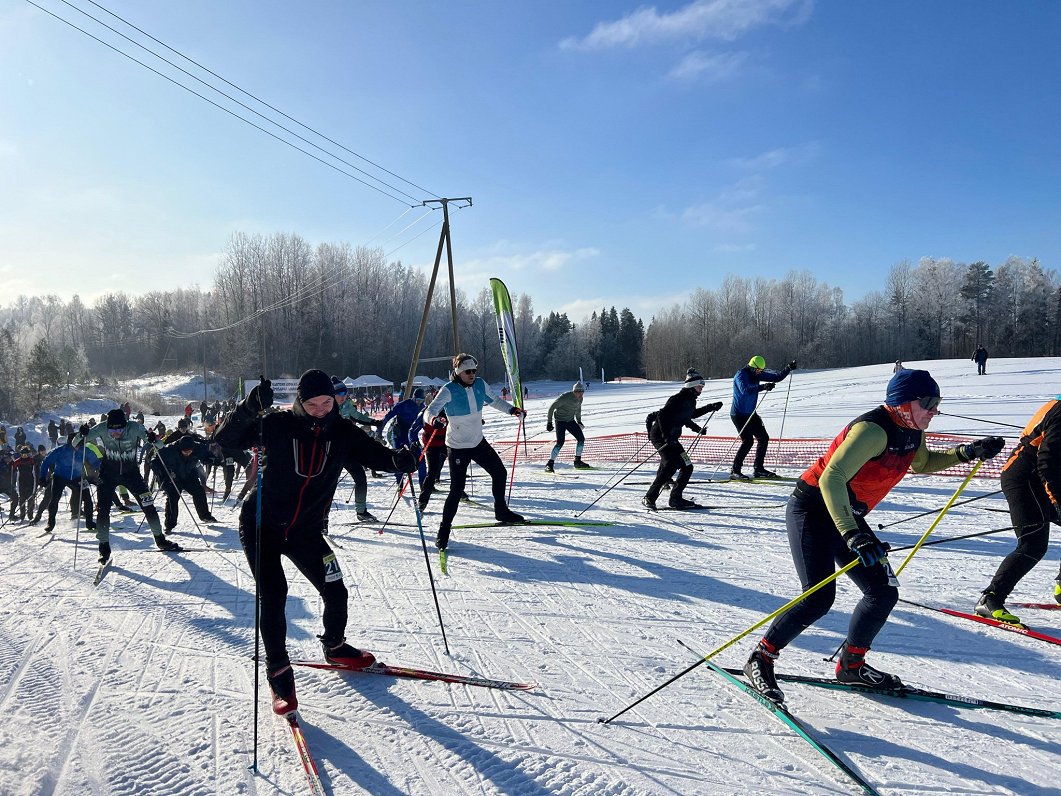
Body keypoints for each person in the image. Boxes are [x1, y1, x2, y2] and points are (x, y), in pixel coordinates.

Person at [741, 369, 1005, 704]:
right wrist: (853, 534)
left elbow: (921, 463)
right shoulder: (872, 430)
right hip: (812, 509)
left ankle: (852, 665)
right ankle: (760, 659)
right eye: (928, 403)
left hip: (846, 515)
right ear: (903, 403)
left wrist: (966, 453)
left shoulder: (912, 430)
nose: (934, 410)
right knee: (818, 597)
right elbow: (831, 478)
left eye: (936, 403)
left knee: (883, 591)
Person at [213, 369, 416, 716]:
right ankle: (278, 670)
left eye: (326, 402)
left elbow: (376, 455)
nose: (321, 409)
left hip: (306, 531)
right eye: (312, 404)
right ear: (300, 403)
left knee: (335, 588)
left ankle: (335, 646)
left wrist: (399, 460)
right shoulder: (276, 425)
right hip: (262, 524)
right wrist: (247, 409)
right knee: (274, 595)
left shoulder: (343, 432)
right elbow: (225, 439)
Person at [423, 353, 526, 552]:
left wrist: (512, 410)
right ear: (458, 372)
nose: (472, 374)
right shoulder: (449, 390)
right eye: (467, 371)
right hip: (457, 446)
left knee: (499, 473)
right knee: (456, 490)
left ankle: (501, 511)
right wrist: (433, 420)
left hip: (478, 442)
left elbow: (494, 400)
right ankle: (443, 532)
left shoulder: (480, 384)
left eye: (474, 371)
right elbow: (431, 410)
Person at [976, 398, 1061, 623]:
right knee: (1033, 544)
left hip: (1040, 478)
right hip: (1025, 477)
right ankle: (990, 598)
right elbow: (1048, 462)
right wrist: (1057, 501)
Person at [82, 409, 180, 561]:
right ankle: (104, 545)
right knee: (103, 510)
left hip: (132, 474)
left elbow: (159, 446)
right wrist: (83, 433)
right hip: (107, 475)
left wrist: (153, 439)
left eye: (120, 429)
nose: (116, 433)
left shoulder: (134, 427)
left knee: (149, 506)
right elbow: (78, 441)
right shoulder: (101, 427)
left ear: (125, 425)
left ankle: (160, 539)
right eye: (112, 430)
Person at [642, 370, 723, 510]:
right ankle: (649, 497)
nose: (701, 390)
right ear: (692, 386)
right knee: (670, 465)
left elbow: (690, 415)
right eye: (699, 387)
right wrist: (666, 436)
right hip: (661, 436)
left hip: (673, 438)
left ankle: (675, 499)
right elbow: (661, 417)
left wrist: (711, 408)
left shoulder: (690, 401)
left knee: (687, 466)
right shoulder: (677, 399)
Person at [730, 355, 796, 480]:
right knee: (748, 441)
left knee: (763, 437)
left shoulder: (757, 374)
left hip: (751, 413)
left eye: (761, 370)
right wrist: (763, 387)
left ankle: (758, 469)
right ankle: (735, 470)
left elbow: (777, 377)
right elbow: (745, 390)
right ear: (752, 366)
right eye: (758, 370)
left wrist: (788, 368)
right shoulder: (741, 374)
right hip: (738, 414)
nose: (760, 372)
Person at [332, 376, 381, 522]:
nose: (343, 397)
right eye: (340, 394)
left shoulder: (347, 405)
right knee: (327, 484)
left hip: (347, 451)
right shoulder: (326, 408)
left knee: (360, 478)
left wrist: (374, 422)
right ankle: (322, 518)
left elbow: (359, 416)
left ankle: (361, 511)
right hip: (332, 452)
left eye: (345, 394)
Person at [152, 435, 221, 532]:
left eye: (189, 451)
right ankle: (169, 525)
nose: (187, 453)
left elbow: (206, 454)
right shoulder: (169, 450)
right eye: (185, 451)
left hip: (189, 474)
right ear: (180, 448)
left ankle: (205, 516)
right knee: (173, 498)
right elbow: (154, 461)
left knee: (199, 491)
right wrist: (160, 471)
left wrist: (212, 459)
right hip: (173, 477)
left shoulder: (197, 448)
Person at [36, 433, 100, 532]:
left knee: (87, 498)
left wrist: (98, 469)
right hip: (60, 477)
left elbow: (95, 460)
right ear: (70, 442)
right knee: (54, 499)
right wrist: (42, 477)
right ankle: (51, 522)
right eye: (77, 444)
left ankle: (89, 522)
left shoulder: (84, 450)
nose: (79, 446)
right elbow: (46, 462)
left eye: (80, 444)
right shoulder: (60, 450)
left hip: (77, 477)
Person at [380, 388, 428, 485]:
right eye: (417, 400)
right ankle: (399, 483)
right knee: (399, 459)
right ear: (413, 398)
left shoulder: (423, 408)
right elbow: (388, 416)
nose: (419, 402)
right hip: (398, 433)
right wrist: (379, 431)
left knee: (420, 458)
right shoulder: (403, 405)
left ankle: (423, 484)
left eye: (421, 401)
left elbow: (426, 422)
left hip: (411, 436)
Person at [545, 382, 591, 472]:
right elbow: (551, 408)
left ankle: (577, 461)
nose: (580, 394)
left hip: (570, 420)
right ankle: (550, 464)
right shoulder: (565, 398)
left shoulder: (580, 398)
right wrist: (549, 422)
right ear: (574, 391)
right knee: (560, 443)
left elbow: (578, 410)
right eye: (578, 392)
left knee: (581, 439)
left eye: (582, 392)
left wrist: (579, 421)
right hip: (560, 421)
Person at [10, 444, 37, 522]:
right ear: (20, 454)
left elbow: (35, 473)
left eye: (26, 454)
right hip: (21, 483)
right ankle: (22, 515)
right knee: (21, 499)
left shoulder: (32, 461)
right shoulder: (17, 462)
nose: (24, 456)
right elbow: (13, 473)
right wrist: (13, 483)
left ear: (28, 454)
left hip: (30, 482)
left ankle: (30, 515)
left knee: (31, 499)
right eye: (23, 454)